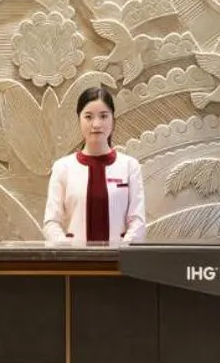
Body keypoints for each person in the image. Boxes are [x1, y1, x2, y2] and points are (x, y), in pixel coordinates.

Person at [42, 85, 147, 244]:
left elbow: (137, 221)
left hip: (119, 261)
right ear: (79, 120)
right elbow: (51, 222)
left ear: (113, 120)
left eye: (103, 116)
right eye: (89, 117)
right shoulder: (63, 168)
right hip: (76, 263)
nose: (96, 124)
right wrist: (66, 249)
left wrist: (123, 248)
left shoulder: (130, 166)